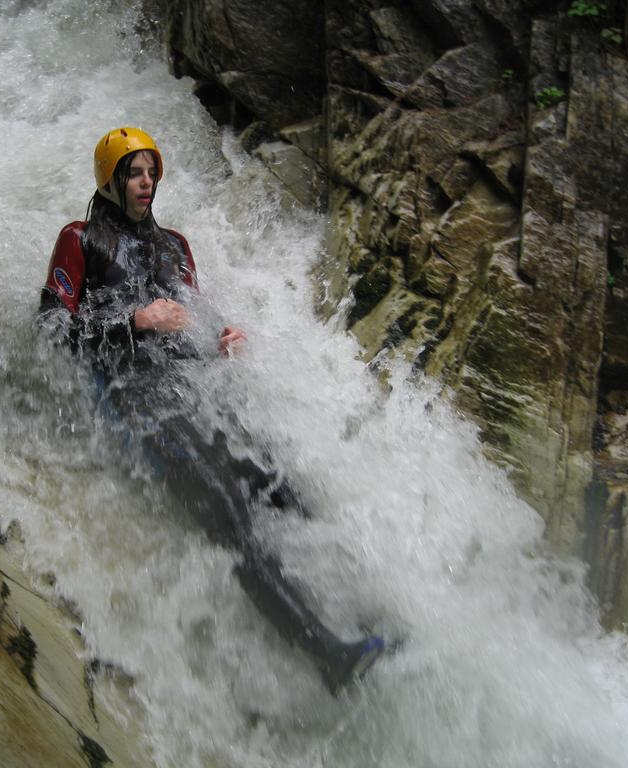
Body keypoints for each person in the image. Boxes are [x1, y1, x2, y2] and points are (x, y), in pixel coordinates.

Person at [39, 126, 384, 693]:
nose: (146, 182)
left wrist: (219, 336)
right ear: (111, 178)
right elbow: (52, 326)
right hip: (135, 397)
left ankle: (370, 617)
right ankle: (328, 654)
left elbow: (194, 320)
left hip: (191, 387)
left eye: (152, 171)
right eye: (134, 171)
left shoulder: (175, 246)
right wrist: (134, 321)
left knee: (282, 489)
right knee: (228, 510)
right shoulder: (80, 240)